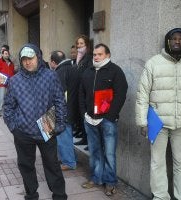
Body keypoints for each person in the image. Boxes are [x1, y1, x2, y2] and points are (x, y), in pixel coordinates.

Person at [135, 28, 181, 200]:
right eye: (174, 38)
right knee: (157, 162)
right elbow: (142, 94)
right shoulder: (153, 63)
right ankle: (160, 197)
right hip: (157, 122)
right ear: (168, 41)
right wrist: (142, 121)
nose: (177, 42)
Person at [3, 44, 67, 200]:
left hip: (47, 125)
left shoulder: (50, 76)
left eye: (30, 58)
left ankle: (59, 195)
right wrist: (14, 127)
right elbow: (8, 107)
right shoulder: (15, 81)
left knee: (52, 164)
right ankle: (31, 194)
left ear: (38, 57)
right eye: (24, 59)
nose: (27, 62)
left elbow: (60, 101)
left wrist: (59, 124)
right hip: (23, 131)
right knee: (26, 165)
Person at [79, 43, 128, 196]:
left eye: (100, 54)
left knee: (109, 153)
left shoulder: (115, 71)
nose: (96, 57)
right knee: (94, 151)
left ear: (107, 55)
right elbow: (81, 93)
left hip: (107, 120)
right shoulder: (88, 71)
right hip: (90, 119)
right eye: (94, 54)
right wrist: (83, 114)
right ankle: (96, 178)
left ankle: (110, 182)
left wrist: (110, 116)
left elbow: (121, 94)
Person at [49, 50, 78, 171]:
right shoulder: (72, 68)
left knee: (63, 135)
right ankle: (70, 158)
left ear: (53, 62)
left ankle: (69, 162)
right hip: (72, 108)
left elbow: (60, 94)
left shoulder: (60, 72)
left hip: (64, 110)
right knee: (67, 135)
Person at [73, 35, 93, 147]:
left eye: (82, 43)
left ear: (87, 45)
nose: (79, 46)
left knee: (85, 117)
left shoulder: (89, 57)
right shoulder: (79, 57)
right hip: (78, 90)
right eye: (78, 44)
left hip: (85, 92)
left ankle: (88, 141)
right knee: (80, 116)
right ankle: (84, 138)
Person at [0, 49, 15, 117]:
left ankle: (5, 110)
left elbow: (12, 72)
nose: (7, 55)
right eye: (5, 53)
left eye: (8, 54)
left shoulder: (11, 63)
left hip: (8, 81)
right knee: (0, 96)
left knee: (6, 97)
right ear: (2, 54)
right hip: (0, 81)